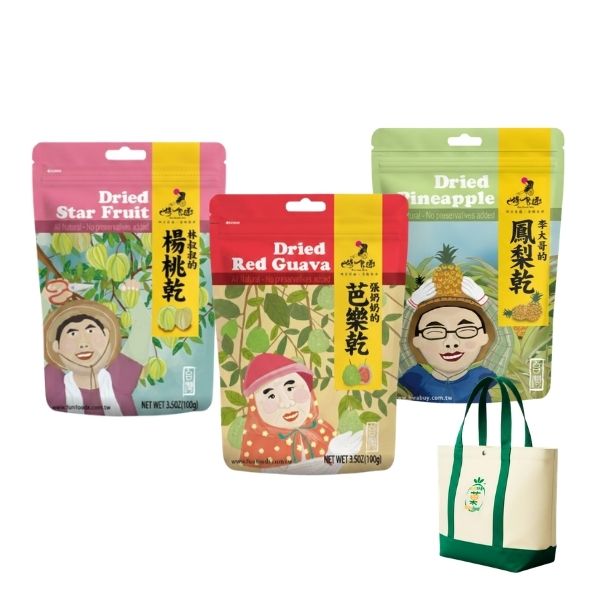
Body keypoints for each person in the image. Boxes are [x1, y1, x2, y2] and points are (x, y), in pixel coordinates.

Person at [240, 353, 362, 473]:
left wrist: (335, 457)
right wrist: (334, 458)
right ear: (255, 407)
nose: (287, 403)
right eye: (271, 396)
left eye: (290, 388)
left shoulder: (322, 432)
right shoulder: (265, 446)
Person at [43, 278, 149, 416]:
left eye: (90, 331)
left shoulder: (119, 377)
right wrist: (46, 296)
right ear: (56, 346)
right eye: (72, 333)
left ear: (107, 336)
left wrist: (133, 299)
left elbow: (142, 328)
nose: (83, 343)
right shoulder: (54, 386)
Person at [399, 276, 497, 403]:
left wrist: (484, 301)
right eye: (435, 332)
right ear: (416, 341)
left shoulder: (482, 377)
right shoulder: (417, 377)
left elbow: (505, 340)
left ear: (484, 337)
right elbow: (399, 342)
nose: (451, 343)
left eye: (466, 330)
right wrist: (412, 305)